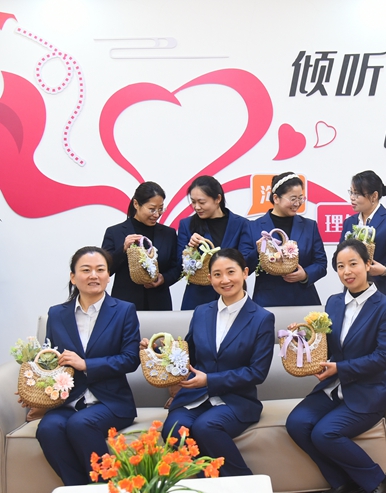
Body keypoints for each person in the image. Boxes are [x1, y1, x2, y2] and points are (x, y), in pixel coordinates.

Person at [286, 239, 386, 493]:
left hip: (367, 392)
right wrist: (303, 337)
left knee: (324, 433)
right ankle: (342, 484)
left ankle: (379, 482)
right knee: (296, 423)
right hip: (333, 388)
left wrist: (341, 368)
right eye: (340, 266)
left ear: (368, 264)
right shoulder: (333, 302)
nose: (347, 271)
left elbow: (385, 357)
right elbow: (326, 344)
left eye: (353, 264)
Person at [153, 248, 274, 477]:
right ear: (210, 279)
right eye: (217, 274)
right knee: (174, 430)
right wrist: (158, 350)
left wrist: (209, 380)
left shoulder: (262, 318)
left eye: (231, 272)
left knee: (206, 427)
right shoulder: (201, 312)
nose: (225, 280)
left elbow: (257, 372)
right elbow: (187, 354)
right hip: (195, 398)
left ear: (245, 273)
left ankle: (245, 482)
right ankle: (208, 485)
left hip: (236, 400)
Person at [36, 247, 141, 486]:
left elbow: (130, 359)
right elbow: (49, 358)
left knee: (81, 424)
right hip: (69, 400)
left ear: (108, 275)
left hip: (110, 402)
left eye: (100, 270)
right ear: (73, 277)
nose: (94, 275)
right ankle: (79, 488)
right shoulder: (57, 314)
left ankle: (107, 487)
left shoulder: (124, 310)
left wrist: (85, 365)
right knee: (48, 428)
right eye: (86, 270)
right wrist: (37, 387)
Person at [177, 175, 256, 310]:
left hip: (233, 296)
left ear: (218, 199)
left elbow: (246, 262)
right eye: (193, 202)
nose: (197, 207)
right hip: (198, 299)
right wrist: (191, 248)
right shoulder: (187, 225)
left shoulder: (242, 224)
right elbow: (180, 264)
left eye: (202, 202)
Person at [251, 172, 327, 306]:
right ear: (276, 198)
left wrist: (305, 275)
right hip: (267, 301)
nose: (297, 203)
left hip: (303, 298)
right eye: (293, 199)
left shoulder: (309, 226)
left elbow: (321, 263)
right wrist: (258, 251)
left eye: (301, 198)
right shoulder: (254, 227)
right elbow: (243, 265)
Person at [102, 181, 180, 310]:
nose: (157, 214)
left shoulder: (168, 234)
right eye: (152, 209)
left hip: (159, 304)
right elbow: (105, 269)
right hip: (125, 304)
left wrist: (164, 279)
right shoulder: (115, 232)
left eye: (160, 209)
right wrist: (123, 249)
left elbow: (177, 267)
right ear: (136, 204)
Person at [339, 170, 386, 306]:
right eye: (351, 192)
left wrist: (384, 270)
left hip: (383, 295)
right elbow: (338, 258)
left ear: (374, 196)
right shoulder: (349, 222)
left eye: (357, 194)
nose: (352, 198)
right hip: (353, 295)